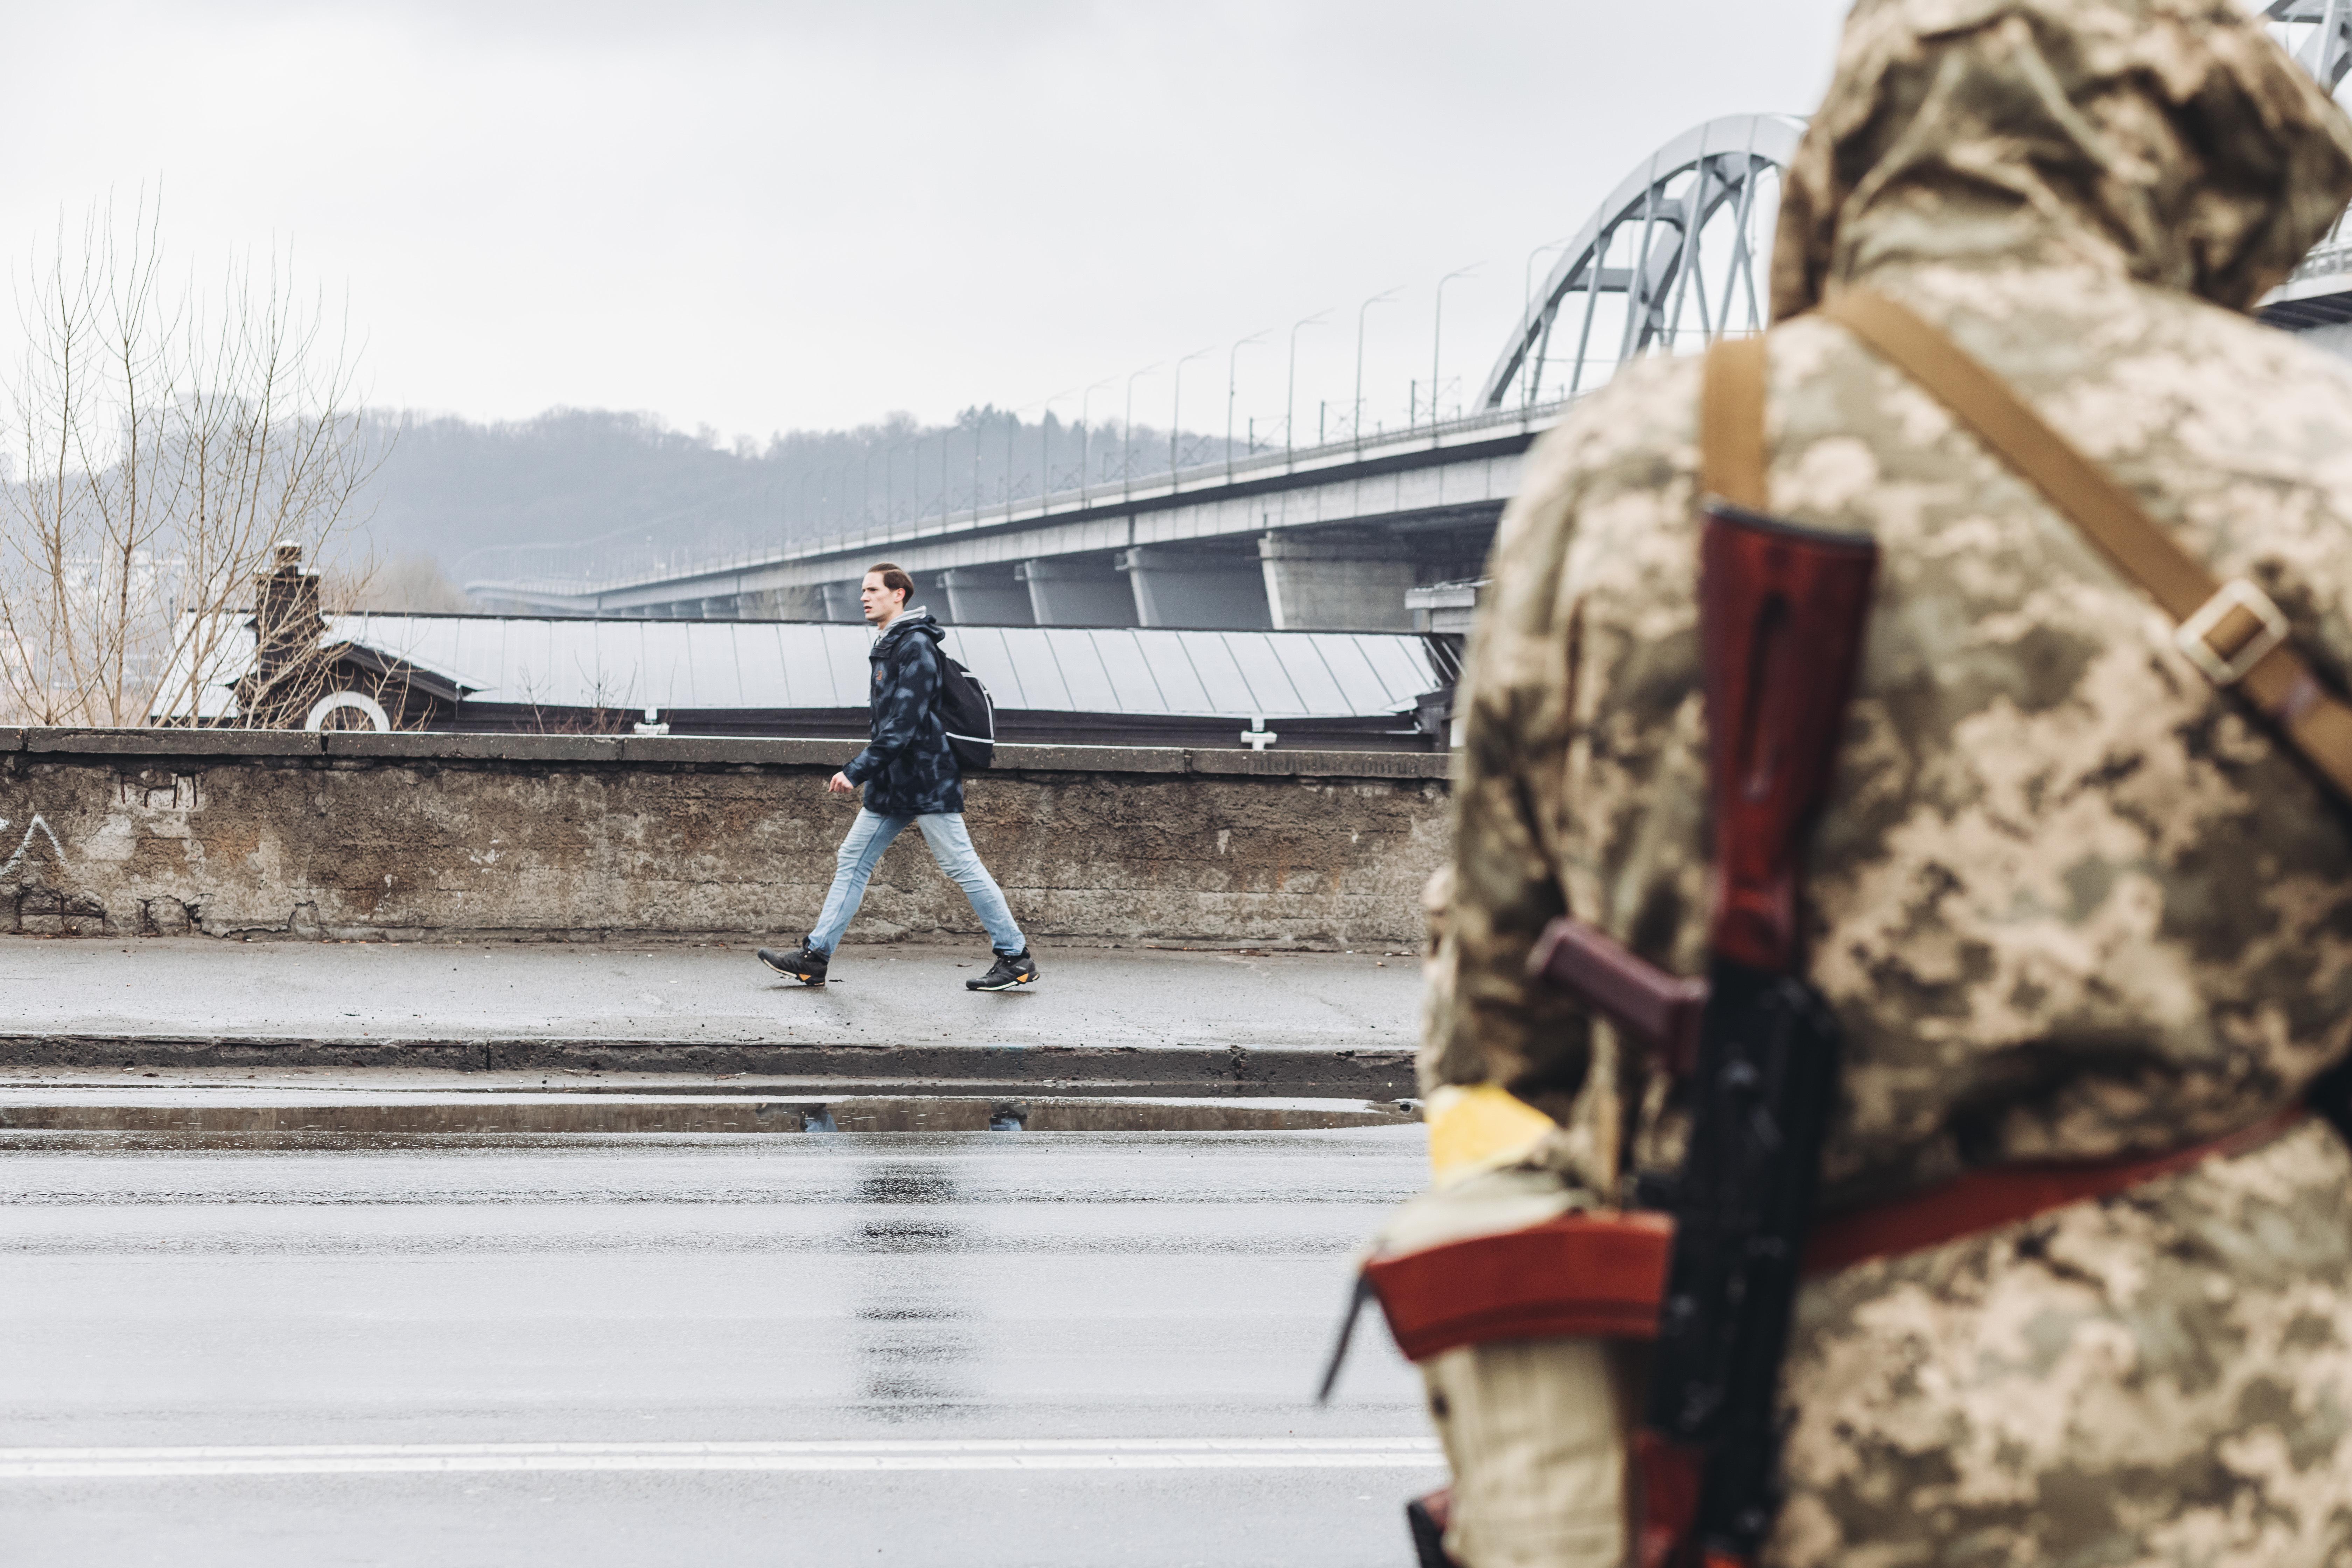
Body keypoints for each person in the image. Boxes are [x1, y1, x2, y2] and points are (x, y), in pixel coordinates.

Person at [1402, 1, 2352, 1563]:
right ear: (2199, 137)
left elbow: (1503, 1035)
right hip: (2261, 1460)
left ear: (1871, 127)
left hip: (1778, 1448)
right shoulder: (2317, 455)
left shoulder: (1644, 457)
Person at [758, 564, 1040, 992]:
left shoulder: (917, 647)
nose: (864, 597)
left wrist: (855, 771)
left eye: (873, 590)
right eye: (863, 590)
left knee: (961, 865)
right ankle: (814, 958)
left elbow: (903, 726)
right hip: (896, 781)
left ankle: (1015, 956)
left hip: (926, 778)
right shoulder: (893, 644)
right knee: (852, 860)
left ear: (899, 595)